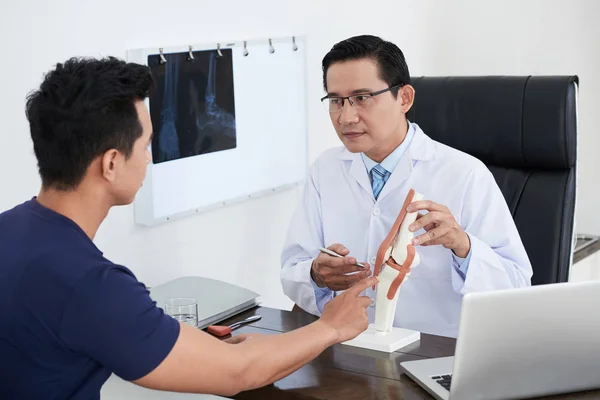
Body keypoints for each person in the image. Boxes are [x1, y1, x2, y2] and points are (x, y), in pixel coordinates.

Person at [0, 56, 380, 399]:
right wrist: (331, 326)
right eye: (146, 145)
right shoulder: (90, 286)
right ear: (111, 163)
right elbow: (239, 372)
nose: (148, 160)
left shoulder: (10, 230)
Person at [280, 35, 533, 338]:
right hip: (347, 348)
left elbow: (517, 287)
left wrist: (463, 246)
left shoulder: (465, 175)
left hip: (432, 355)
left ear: (404, 98)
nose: (346, 117)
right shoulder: (326, 170)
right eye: (335, 101)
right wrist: (316, 274)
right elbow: (292, 269)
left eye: (362, 98)